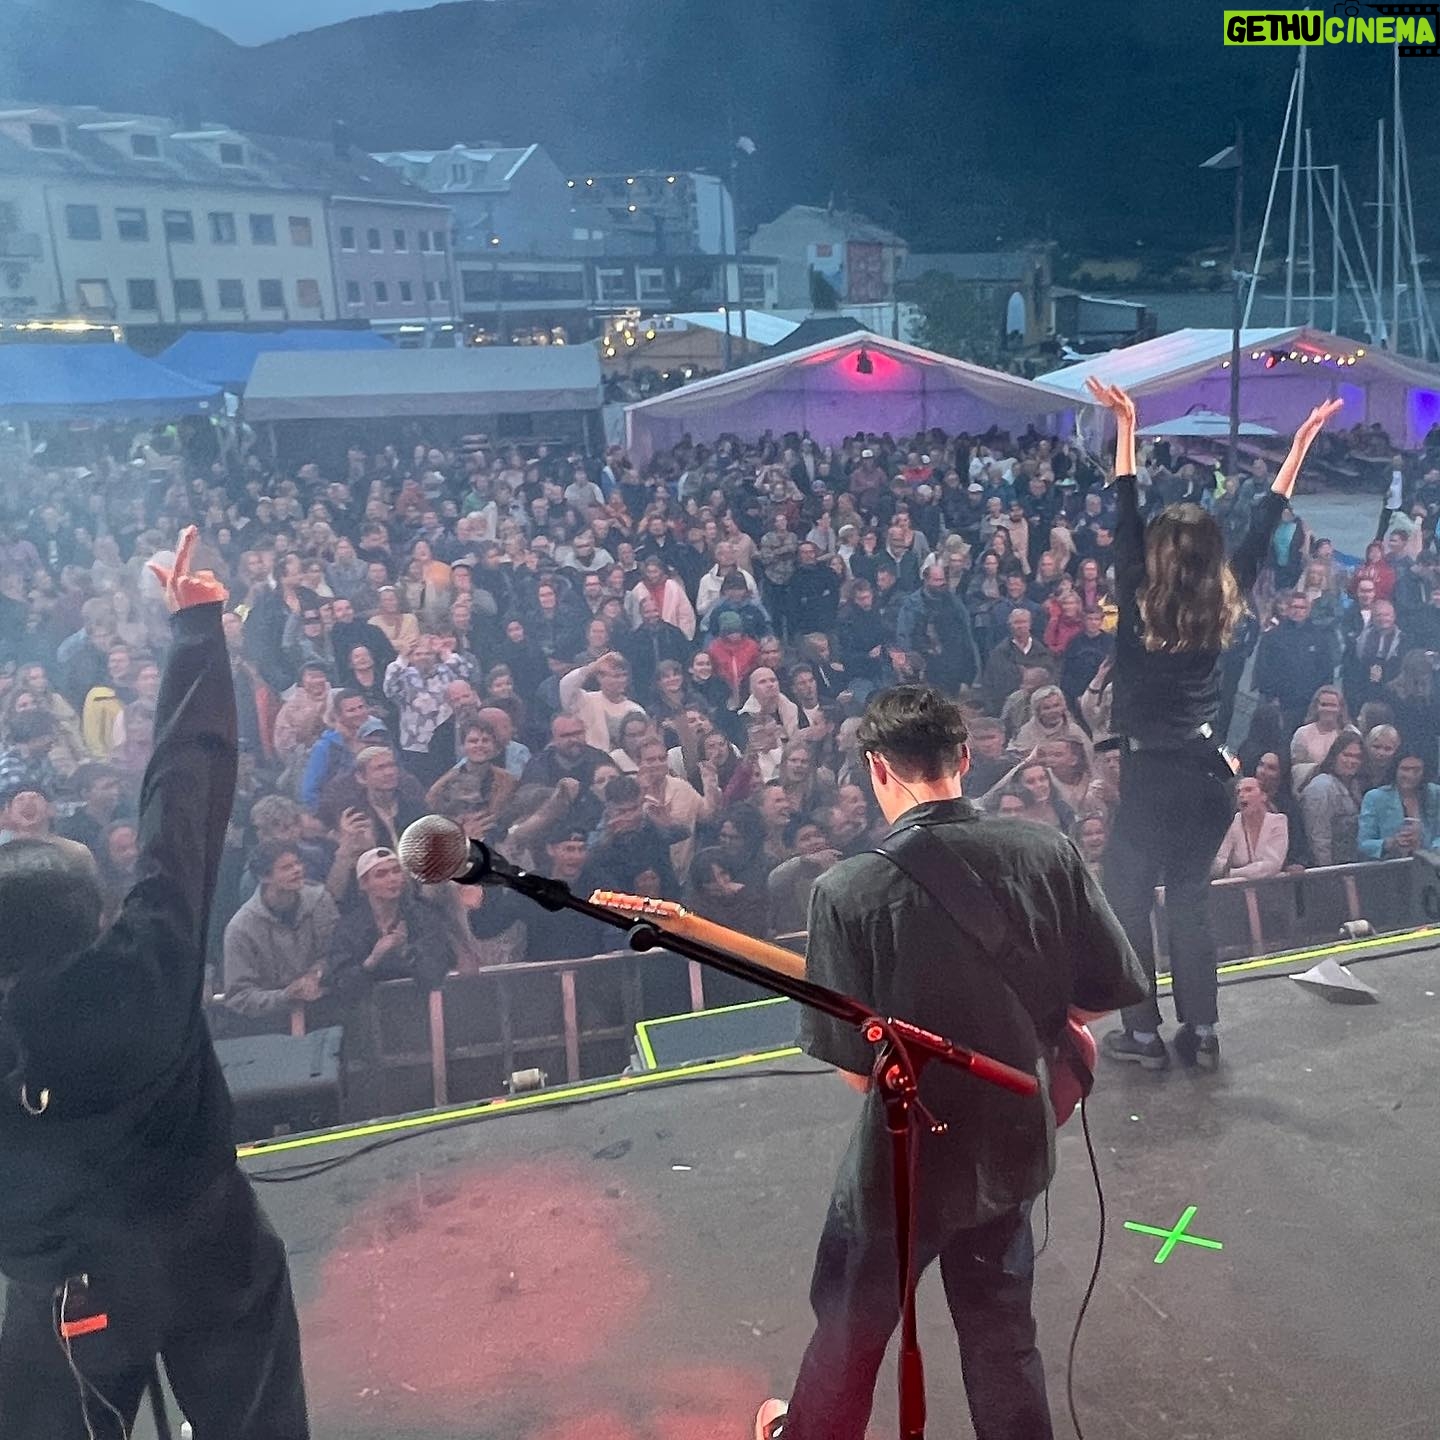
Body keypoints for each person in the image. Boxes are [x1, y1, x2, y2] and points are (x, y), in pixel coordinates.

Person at [755, 684, 1144, 1440]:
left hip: (905, 1160)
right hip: (1013, 1134)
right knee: (1003, 1332)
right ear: (964, 757)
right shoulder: (1047, 851)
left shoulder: (846, 890)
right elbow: (1105, 993)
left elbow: (856, 1072)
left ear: (876, 768)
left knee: (852, 1327)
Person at [0, 527, 311, 1438]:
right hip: (208, 1256)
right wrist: (196, 632)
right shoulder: (145, 962)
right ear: (92, 915)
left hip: (66, 1291)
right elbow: (184, 788)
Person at [1086, 377, 1341, 1072]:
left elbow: (1126, 506)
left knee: (1128, 905)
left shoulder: (1138, 592)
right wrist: (1298, 446)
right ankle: (1201, 1035)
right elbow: (1265, 519)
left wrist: (1127, 426)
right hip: (1208, 774)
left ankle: (1143, 1037)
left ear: (1158, 552)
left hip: (1152, 775)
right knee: (1191, 905)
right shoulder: (1225, 593)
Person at [1357, 750, 1440, 859]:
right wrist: (1390, 843)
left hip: (1432, 864)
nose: (1410, 775)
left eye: (1416, 770)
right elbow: (1363, 844)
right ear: (1395, 769)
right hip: (1390, 865)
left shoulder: (1436, 794)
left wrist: (1431, 850)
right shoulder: (1374, 797)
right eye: (1405, 769)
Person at [1211, 776, 1289, 879]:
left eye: (1248, 790)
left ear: (1263, 796)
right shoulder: (1235, 822)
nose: (1241, 795)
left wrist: (1232, 873)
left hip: (1270, 887)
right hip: (1238, 888)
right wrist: (1225, 868)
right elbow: (1218, 863)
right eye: (1238, 792)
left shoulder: (1278, 821)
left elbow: (1271, 866)